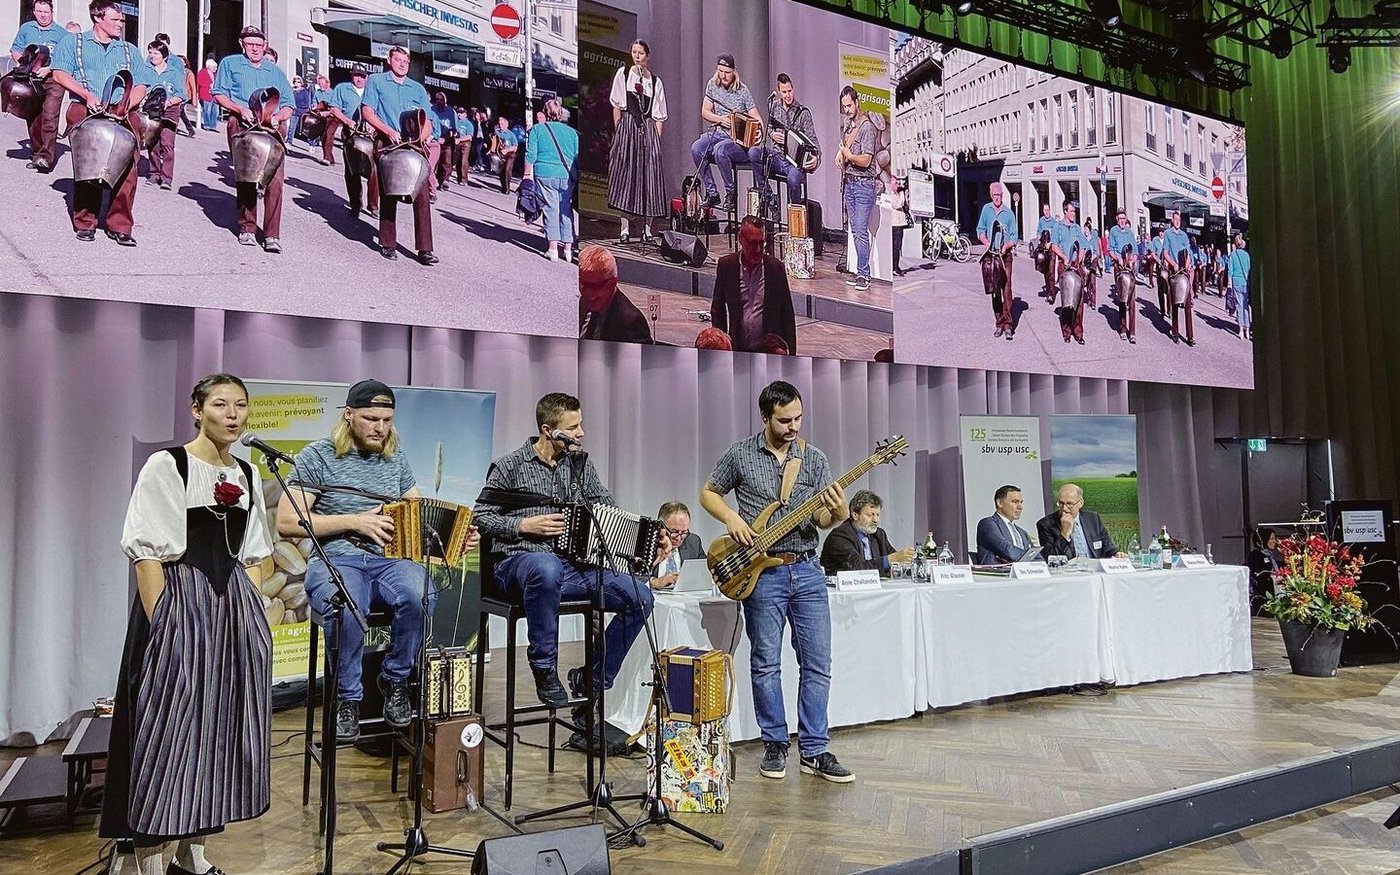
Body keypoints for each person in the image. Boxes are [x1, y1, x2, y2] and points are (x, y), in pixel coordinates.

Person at [103, 374, 272, 875]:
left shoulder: (247, 472)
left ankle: (193, 854)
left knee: (218, 726)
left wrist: (251, 611)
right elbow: (147, 555)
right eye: (220, 404)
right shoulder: (168, 465)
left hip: (230, 610)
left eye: (241, 405)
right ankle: (146, 858)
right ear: (197, 410)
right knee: (170, 730)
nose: (233, 414)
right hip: (181, 604)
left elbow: (255, 552)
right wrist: (167, 627)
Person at [277, 380, 465, 742]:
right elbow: (287, 522)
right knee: (348, 604)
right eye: (370, 418)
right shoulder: (318, 456)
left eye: (387, 419)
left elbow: (416, 517)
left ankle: (394, 680)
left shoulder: (396, 459)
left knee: (420, 592)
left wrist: (453, 538)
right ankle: (347, 697)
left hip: (387, 562)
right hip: (337, 559)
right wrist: (354, 521)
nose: (380, 428)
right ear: (348, 415)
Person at [701, 380, 855, 784]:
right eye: (784, 420)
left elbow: (821, 520)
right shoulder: (740, 454)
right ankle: (774, 743)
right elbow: (708, 493)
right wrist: (731, 519)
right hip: (760, 572)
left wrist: (837, 514)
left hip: (806, 568)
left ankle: (815, 749)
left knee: (817, 662)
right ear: (766, 417)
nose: (793, 426)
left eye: (798, 418)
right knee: (765, 662)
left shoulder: (814, 458)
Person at [472, 392, 666, 708]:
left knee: (641, 597)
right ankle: (544, 668)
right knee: (545, 567)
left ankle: (593, 677)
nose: (581, 433)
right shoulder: (510, 466)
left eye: (581, 424)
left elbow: (608, 508)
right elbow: (480, 515)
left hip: (571, 567)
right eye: (574, 427)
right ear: (549, 430)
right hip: (517, 565)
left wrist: (650, 535)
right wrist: (523, 526)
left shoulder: (579, 466)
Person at [50, 0, 154, 246]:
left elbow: (141, 84)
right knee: (90, 163)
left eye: (121, 20)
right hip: (86, 106)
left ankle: (119, 225)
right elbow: (59, 73)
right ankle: (85, 221)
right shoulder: (74, 43)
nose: (120, 24)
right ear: (97, 18)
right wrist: (86, 95)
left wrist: (126, 105)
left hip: (121, 109)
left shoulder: (129, 49)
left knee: (129, 165)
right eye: (115, 20)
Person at [212, 25, 293, 253]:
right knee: (247, 178)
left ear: (265, 46)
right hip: (243, 124)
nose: (255, 49)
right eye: (251, 45)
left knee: (275, 181)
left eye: (259, 45)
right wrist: (239, 108)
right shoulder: (230, 64)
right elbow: (218, 93)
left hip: (271, 127)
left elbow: (289, 104)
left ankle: (271, 234)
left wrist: (279, 116)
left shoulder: (274, 72)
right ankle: (247, 228)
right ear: (242, 45)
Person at [360, 46, 437, 265]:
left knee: (421, 194)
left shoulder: (418, 89)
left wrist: (420, 138)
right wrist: (388, 131)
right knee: (389, 192)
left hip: (413, 145)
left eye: (406, 61)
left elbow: (428, 122)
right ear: (389, 60)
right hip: (388, 142)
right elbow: (368, 112)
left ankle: (425, 249)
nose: (402, 64)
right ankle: (387, 242)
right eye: (398, 60)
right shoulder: (376, 81)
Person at [608, 39, 668, 243]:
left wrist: (655, 140)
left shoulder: (655, 81)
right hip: (627, 127)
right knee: (626, 176)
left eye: (641, 53)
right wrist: (620, 130)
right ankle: (624, 228)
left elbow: (660, 115)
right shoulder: (624, 74)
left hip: (647, 130)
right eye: (634, 52)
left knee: (649, 178)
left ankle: (647, 230)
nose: (637, 56)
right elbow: (617, 105)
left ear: (648, 56)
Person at [709, 216, 798, 355]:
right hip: (737, 349)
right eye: (752, 243)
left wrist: (791, 356)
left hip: (768, 352)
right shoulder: (727, 266)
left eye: (761, 244)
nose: (758, 249)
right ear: (740, 239)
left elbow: (787, 314)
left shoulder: (775, 268)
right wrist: (721, 347)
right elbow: (717, 309)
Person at [691, 53, 758, 213]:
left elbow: (756, 116)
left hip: (735, 140)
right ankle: (713, 192)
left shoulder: (743, 91)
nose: (723, 75)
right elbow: (705, 111)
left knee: (720, 150)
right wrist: (720, 119)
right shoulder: (712, 85)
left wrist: (759, 131)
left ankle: (730, 192)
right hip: (718, 132)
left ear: (734, 71)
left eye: (726, 72)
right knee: (697, 148)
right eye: (720, 71)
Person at [750, 72, 819, 216]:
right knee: (754, 153)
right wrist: (772, 134)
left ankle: (795, 219)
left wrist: (816, 159)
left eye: (789, 91)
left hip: (793, 164)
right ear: (779, 91)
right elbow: (769, 127)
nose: (788, 95)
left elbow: (814, 143)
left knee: (793, 178)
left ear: (793, 89)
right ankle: (769, 199)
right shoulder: (774, 107)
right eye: (784, 92)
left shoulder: (803, 113)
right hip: (776, 157)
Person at [9, 0, 66, 173]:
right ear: (34, 12)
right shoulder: (26, 29)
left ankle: (46, 158)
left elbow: (64, 59)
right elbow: (16, 49)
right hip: (31, 79)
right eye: (39, 11)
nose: (43, 15)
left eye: (46, 12)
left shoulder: (62, 34)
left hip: (52, 79)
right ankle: (36, 153)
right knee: (33, 117)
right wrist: (24, 63)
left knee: (49, 115)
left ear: (52, 12)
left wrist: (48, 68)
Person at [525, 96, 578, 263]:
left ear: (545, 113)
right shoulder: (572, 133)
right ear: (560, 114)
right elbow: (578, 157)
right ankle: (568, 249)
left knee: (550, 208)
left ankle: (553, 249)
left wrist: (527, 175)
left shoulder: (537, 130)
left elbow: (530, 155)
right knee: (566, 209)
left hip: (545, 172)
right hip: (567, 174)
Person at [837, 84, 878, 293]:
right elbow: (844, 147)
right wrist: (841, 155)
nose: (847, 110)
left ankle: (864, 274)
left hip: (863, 185)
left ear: (857, 102)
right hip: (850, 183)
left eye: (849, 106)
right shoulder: (847, 125)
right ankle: (859, 270)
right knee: (855, 231)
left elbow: (866, 159)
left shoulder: (867, 127)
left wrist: (850, 157)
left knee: (861, 231)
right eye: (844, 106)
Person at [820, 489, 915, 575]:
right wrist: (891, 560)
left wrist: (907, 561)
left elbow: (895, 560)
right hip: (842, 591)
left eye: (878, 515)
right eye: (870, 515)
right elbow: (857, 569)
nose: (876, 520)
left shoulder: (879, 535)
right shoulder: (839, 537)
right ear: (855, 515)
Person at [326, 64, 378, 218]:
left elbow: (380, 110)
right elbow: (334, 109)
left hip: (371, 134)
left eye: (362, 76)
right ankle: (356, 205)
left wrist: (374, 125)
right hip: (350, 133)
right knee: (352, 170)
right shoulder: (342, 88)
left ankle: (373, 205)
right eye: (356, 75)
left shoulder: (372, 90)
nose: (359, 79)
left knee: (374, 170)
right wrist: (347, 120)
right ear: (352, 75)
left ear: (367, 77)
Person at [578, 245, 653, 344]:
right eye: (585, 285)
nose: (590, 295)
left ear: (613, 281)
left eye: (597, 287)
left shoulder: (631, 321)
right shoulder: (583, 302)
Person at [1035, 483, 1126, 560]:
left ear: (1080, 503)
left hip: (1095, 570)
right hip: (1067, 574)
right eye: (1061, 503)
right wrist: (1064, 533)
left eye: (1069, 504)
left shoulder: (1093, 519)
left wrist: (1117, 553)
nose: (1064, 509)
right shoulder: (1045, 524)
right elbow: (1050, 558)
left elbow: (1108, 546)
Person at [976, 182, 1019, 339]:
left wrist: (1007, 245)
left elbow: (1015, 235)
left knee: (1006, 290)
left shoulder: (1009, 213)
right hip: (991, 255)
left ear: (1002, 195)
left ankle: (1008, 325)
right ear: (990, 195)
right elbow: (980, 229)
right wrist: (985, 241)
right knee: (994, 291)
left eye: (999, 195)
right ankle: (999, 323)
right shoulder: (986, 210)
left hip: (1005, 256)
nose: (997, 198)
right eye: (994, 195)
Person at [143, 40, 187, 191]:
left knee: (167, 144)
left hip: (170, 110)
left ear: (164, 56)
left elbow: (182, 95)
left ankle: (167, 177)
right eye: (150, 52)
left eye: (156, 53)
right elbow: (140, 87)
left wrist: (169, 102)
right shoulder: (145, 69)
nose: (152, 56)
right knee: (152, 143)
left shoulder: (174, 72)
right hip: (151, 110)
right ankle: (154, 173)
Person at [1050, 200, 1091, 344]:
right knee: (1067, 300)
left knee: (1079, 300)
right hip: (1064, 264)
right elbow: (1054, 245)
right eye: (1072, 211)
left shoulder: (1076, 228)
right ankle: (1066, 331)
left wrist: (1079, 258)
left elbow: (1083, 246)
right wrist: (1063, 256)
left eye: (1075, 211)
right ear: (1065, 211)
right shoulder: (1058, 226)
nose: (1074, 213)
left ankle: (1078, 332)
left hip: (1075, 264)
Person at [650, 500, 705, 589]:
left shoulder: (693, 541)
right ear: (661, 526)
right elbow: (628, 577)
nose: (679, 538)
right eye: (674, 532)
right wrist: (655, 582)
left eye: (684, 532)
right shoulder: (646, 543)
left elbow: (704, 575)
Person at [975, 484, 1035, 564]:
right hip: (997, 575)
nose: (1020, 507)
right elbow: (1009, 551)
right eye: (1015, 502)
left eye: (1021, 502)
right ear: (1000, 503)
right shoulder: (988, 524)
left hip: (1025, 574)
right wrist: (1029, 557)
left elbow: (1038, 557)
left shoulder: (1022, 533)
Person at [1162, 209, 1195, 346]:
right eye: (1175, 220)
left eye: (1179, 220)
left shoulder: (1184, 235)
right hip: (1174, 269)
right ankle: (1175, 332)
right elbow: (1165, 253)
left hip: (1184, 270)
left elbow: (1188, 253)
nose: (1177, 222)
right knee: (1175, 302)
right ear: (1172, 220)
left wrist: (1187, 264)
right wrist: (1173, 264)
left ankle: (1190, 336)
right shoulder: (1168, 234)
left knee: (1187, 304)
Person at [1107, 207, 1138, 343]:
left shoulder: (1130, 233)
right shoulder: (1113, 231)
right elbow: (1110, 249)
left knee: (1131, 299)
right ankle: (1123, 329)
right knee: (1122, 299)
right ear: (1116, 219)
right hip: (1119, 266)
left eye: (1124, 219)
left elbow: (1136, 251)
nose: (1122, 221)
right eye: (1120, 219)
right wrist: (1118, 258)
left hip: (1129, 266)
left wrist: (1132, 260)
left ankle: (1133, 332)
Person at [1246, 527, 1281, 613]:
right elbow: (1257, 575)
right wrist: (1272, 577)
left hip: (1272, 593)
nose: (1274, 541)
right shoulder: (1255, 555)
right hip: (1262, 596)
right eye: (1271, 538)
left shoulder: (1270, 555)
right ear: (1264, 540)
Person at [428, 91, 456, 191]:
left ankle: (445, 180)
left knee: (447, 161)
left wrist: (445, 138)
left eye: (441, 99)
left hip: (447, 139)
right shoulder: (432, 109)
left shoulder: (450, 111)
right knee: (436, 162)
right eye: (437, 99)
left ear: (445, 101)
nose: (439, 101)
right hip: (435, 139)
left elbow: (453, 129)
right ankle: (435, 181)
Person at [1228, 232, 1251, 340]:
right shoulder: (1247, 255)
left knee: (1239, 306)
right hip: (1245, 282)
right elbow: (1249, 269)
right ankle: (1248, 328)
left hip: (1236, 282)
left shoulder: (1232, 255)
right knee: (1245, 305)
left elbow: (1230, 270)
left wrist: (1229, 284)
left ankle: (1241, 330)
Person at [1035, 202, 1058, 301]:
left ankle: (1052, 294)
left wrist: (1051, 243)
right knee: (1046, 272)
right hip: (1044, 249)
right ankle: (1048, 291)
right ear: (1043, 211)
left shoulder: (1053, 222)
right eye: (1045, 210)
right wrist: (1038, 238)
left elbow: (1056, 235)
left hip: (1051, 249)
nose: (1047, 212)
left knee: (1051, 271)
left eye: (1048, 210)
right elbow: (1038, 232)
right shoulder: (1041, 220)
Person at [490, 116, 518, 193]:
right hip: (500, 154)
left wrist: (507, 150)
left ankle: (507, 189)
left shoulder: (511, 134)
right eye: (500, 124)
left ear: (506, 125)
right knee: (501, 171)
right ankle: (503, 186)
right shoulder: (497, 132)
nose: (501, 126)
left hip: (510, 154)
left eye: (502, 124)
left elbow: (515, 147)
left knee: (507, 170)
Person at [891, 176, 910, 277]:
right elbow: (898, 204)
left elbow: (905, 206)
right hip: (894, 224)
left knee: (898, 247)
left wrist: (905, 195)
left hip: (900, 223)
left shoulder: (898, 193)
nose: (898, 185)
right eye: (896, 183)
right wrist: (902, 194)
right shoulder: (891, 195)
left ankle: (896, 266)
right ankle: (893, 267)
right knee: (895, 247)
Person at [288, 74, 312, 147]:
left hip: (302, 111)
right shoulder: (291, 90)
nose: (296, 83)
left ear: (301, 83)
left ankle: (311, 143)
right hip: (294, 111)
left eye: (298, 82)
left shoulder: (304, 91)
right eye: (295, 81)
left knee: (306, 128)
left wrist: (303, 109)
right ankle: (289, 142)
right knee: (291, 127)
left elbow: (307, 102)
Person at [178, 54, 197, 136]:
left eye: (181, 62)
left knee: (177, 112)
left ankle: (171, 128)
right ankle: (191, 130)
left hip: (185, 96)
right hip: (177, 94)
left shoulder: (189, 73)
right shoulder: (175, 71)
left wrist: (194, 101)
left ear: (185, 63)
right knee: (181, 114)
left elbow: (193, 87)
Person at [196, 57, 217, 130]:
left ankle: (213, 125)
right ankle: (207, 125)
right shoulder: (203, 72)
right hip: (206, 94)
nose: (216, 68)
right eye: (214, 67)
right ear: (209, 67)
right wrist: (209, 85)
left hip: (214, 95)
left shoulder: (215, 74)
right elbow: (200, 82)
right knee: (207, 110)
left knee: (215, 111)